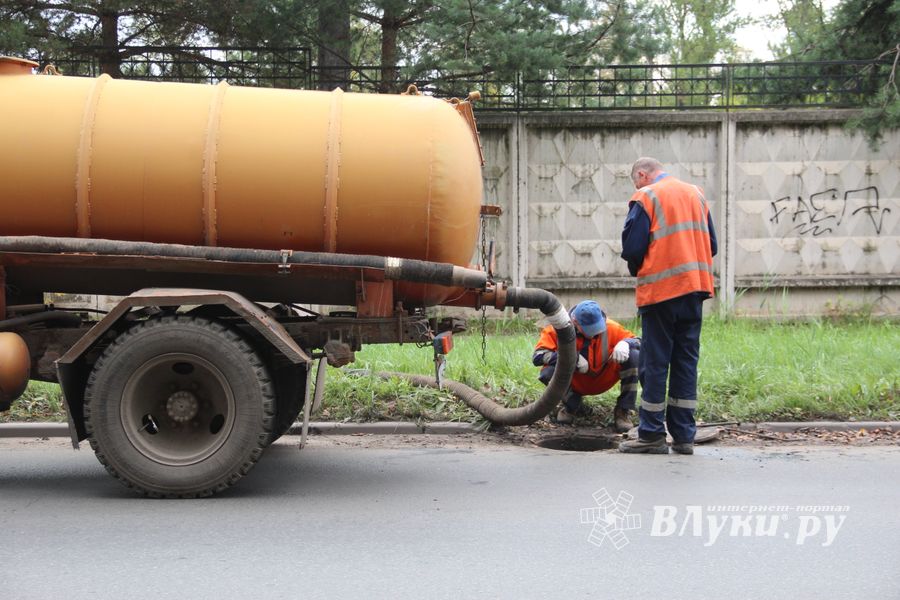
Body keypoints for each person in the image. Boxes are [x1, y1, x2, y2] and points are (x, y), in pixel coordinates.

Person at [618, 157, 717, 455]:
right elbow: (711, 244)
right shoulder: (696, 194)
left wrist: (641, 269)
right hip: (695, 289)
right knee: (686, 362)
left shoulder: (646, 196)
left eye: (636, 181)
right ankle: (684, 436)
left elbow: (632, 248)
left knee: (655, 362)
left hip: (661, 292)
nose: (636, 186)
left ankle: (651, 434)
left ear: (642, 174)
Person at [533, 300, 640, 432]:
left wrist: (626, 343)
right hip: (575, 380)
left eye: (597, 328)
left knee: (634, 355)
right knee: (547, 373)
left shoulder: (611, 327)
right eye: (590, 330)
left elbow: (639, 340)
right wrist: (572, 358)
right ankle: (572, 406)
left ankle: (623, 411)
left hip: (603, 377)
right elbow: (538, 356)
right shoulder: (557, 330)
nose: (595, 333)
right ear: (575, 322)